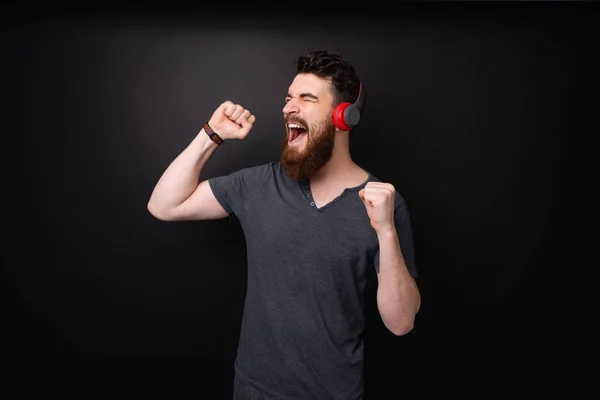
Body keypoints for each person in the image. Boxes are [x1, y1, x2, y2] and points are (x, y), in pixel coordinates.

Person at [147, 50, 421, 400]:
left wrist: (385, 231)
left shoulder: (385, 204)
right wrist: (211, 133)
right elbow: (164, 205)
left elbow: (401, 323)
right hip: (253, 390)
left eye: (307, 98)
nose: (288, 107)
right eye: (289, 98)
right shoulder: (259, 185)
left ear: (344, 116)